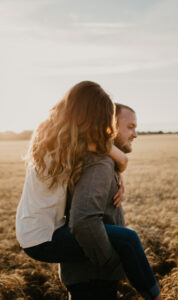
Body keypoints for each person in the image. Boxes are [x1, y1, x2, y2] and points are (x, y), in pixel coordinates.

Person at [60, 104, 164, 300]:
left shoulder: (107, 161)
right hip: (91, 274)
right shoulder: (100, 163)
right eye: (130, 127)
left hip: (91, 272)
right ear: (110, 127)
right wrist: (110, 261)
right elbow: (83, 221)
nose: (135, 134)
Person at [16, 80, 127, 261]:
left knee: (119, 241)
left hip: (29, 233)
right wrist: (117, 174)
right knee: (124, 244)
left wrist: (117, 177)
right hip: (46, 238)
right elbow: (122, 158)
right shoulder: (77, 142)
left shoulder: (50, 132)